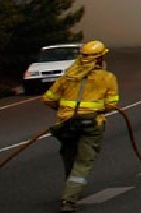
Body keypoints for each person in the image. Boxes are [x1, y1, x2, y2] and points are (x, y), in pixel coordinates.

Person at [42, 40, 120, 213]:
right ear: (99, 59)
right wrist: (96, 108)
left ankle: (71, 188)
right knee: (83, 162)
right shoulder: (107, 77)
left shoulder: (68, 76)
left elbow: (48, 98)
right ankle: (69, 200)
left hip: (65, 123)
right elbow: (111, 104)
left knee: (69, 156)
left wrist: (62, 107)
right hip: (91, 124)